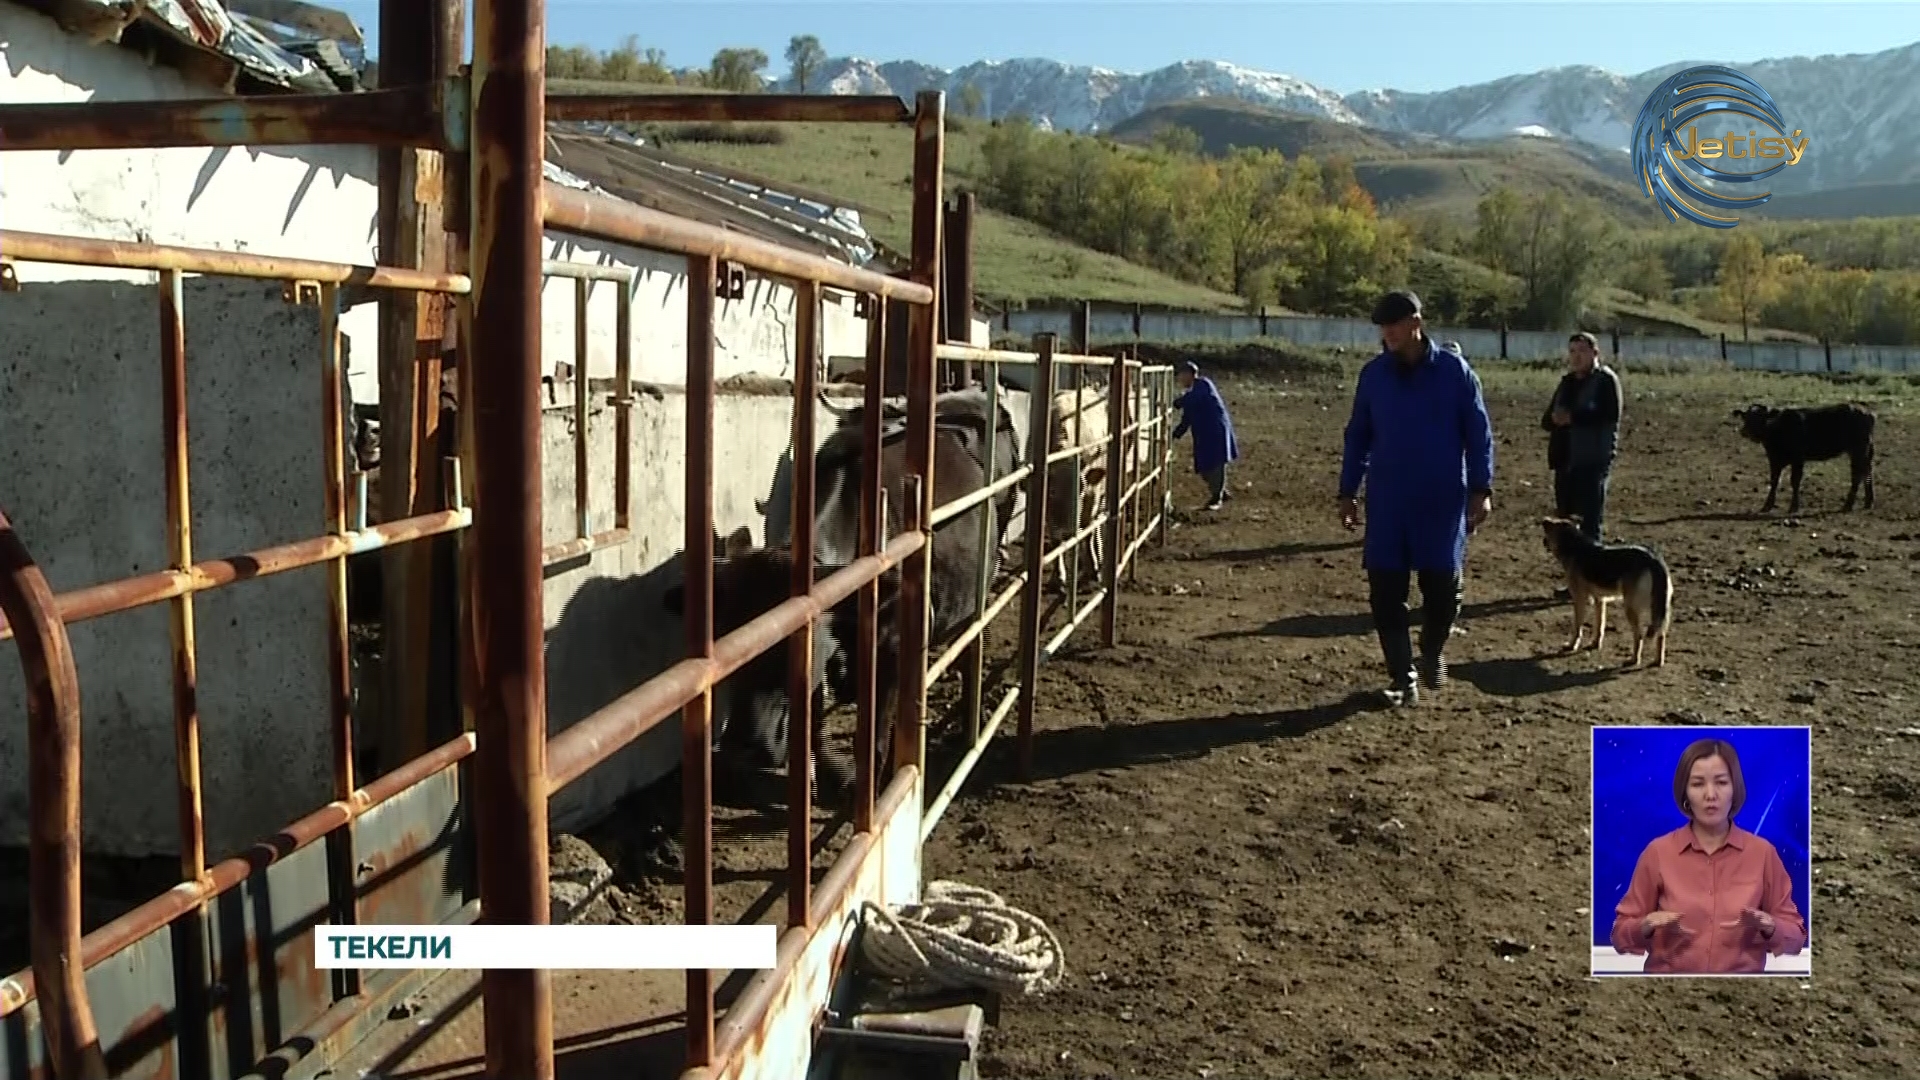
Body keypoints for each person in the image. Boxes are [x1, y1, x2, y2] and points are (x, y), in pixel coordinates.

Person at [1337, 290, 1496, 706]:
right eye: (1383, 327)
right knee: (1385, 587)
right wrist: (1347, 490)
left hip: (1441, 496)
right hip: (1389, 497)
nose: (1387, 333)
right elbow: (1358, 435)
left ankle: (1432, 648)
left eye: (1395, 325)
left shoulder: (1454, 373)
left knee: (1442, 587)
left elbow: (1478, 434)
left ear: (1416, 323)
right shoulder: (1374, 375)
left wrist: (1481, 489)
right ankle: (1402, 677)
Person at [1609, 738, 1807, 975]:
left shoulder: (1763, 854)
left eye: (1721, 782)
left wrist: (1771, 927)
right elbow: (1620, 936)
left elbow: (1795, 939)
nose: (1710, 795)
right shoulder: (1658, 853)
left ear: (1735, 789)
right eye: (1697, 784)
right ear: (1685, 792)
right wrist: (1645, 926)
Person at [1171, 360, 1239, 511]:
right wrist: (1175, 434)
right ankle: (1220, 491)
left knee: (1216, 463)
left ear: (1189, 375)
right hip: (1205, 433)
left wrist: (1178, 402)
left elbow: (1194, 399)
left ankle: (1217, 497)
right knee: (1204, 466)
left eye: (1181, 376)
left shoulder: (1203, 385)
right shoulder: (1193, 392)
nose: (1180, 380)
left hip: (1215, 430)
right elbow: (1186, 418)